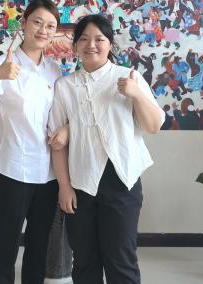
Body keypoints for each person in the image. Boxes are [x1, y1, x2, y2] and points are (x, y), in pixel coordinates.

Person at [49, 14, 164, 284]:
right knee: (84, 261)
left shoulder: (128, 77)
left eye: (99, 39)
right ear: (75, 45)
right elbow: (56, 142)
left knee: (121, 260)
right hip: (81, 182)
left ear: (110, 44)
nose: (91, 45)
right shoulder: (65, 86)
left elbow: (153, 126)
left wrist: (136, 94)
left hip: (121, 179)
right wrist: (64, 187)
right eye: (84, 39)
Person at [0, 0, 67, 284]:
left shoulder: (54, 70)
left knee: (38, 246)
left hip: (48, 175)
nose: (43, 30)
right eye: (37, 22)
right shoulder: (3, 64)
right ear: (23, 23)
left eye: (50, 26)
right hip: (13, 171)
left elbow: (62, 116)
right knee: (6, 246)